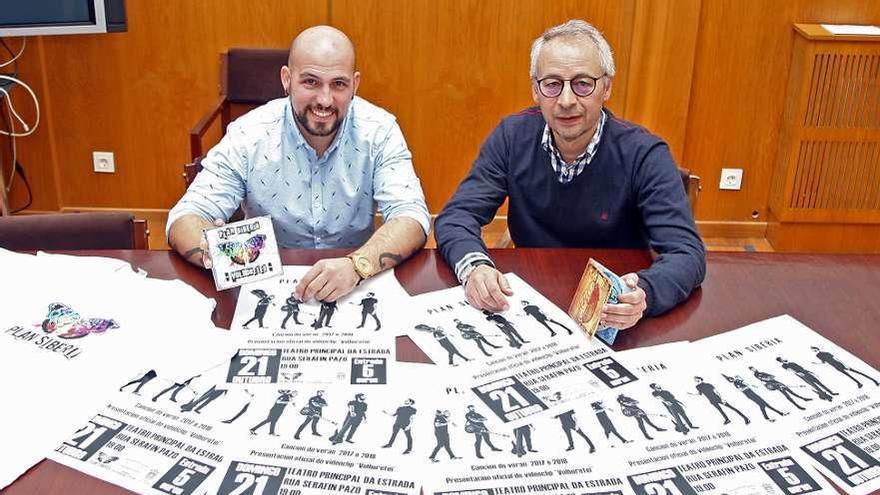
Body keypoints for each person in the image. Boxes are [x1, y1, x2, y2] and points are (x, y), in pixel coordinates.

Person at [435, 19, 705, 334]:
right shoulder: (511, 137)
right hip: (529, 300)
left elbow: (686, 253)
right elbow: (456, 216)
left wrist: (645, 291)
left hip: (615, 313)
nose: (566, 100)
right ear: (535, 90)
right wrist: (476, 267)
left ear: (607, 87)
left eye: (582, 83)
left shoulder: (645, 153)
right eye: (552, 84)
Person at [167, 26, 430, 304]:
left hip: (353, 283)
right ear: (287, 79)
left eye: (338, 84)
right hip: (267, 287)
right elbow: (185, 216)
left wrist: (357, 266)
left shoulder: (380, 130)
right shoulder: (249, 134)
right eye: (311, 82)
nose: (325, 100)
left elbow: (412, 215)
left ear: (355, 84)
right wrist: (209, 249)